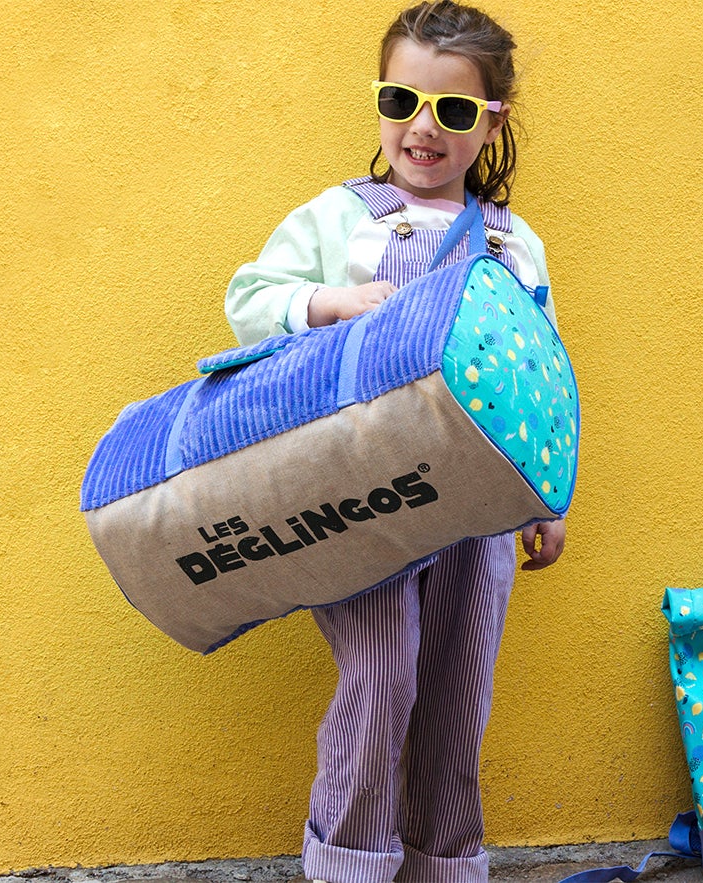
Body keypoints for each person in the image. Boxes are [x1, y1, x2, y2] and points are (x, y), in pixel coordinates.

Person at [221, 3, 560, 880]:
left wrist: (548, 496)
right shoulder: (341, 217)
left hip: (480, 508)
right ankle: (350, 863)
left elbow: (539, 378)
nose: (423, 127)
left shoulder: (514, 241)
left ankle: (446, 862)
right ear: (380, 99)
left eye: (453, 109)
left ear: (492, 122)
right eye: (401, 100)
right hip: (362, 498)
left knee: (457, 692)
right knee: (381, 682)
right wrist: (328, 302)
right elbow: (249, 299)